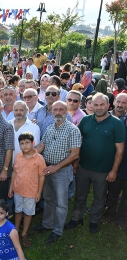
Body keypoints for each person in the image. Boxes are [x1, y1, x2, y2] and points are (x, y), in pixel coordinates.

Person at [66, 93, 125, 233]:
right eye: (95, 105)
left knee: (99, 197)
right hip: (83, 167)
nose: (98, 108)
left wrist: (114, 170)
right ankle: (76, 218)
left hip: (104, 170)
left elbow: (120, 150)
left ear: (108, 105)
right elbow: (76, 142)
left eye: (101, 105)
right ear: (91, 105)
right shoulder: (85, 120)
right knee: (80, 194)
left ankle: (94, 221)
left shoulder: (117, 123)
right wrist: (75, 163)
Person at [33, 101, 81, 242]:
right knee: (48, 198)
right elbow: (42, 145)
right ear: (52, 112)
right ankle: (47, 223)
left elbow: (75, 154)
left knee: (61, 203)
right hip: (47, 168)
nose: (58, 112)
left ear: (66, 111)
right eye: (55, 110)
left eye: (61, 109)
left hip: (62, 171)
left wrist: (57, 167)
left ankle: (58, 230)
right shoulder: (50, 128)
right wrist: (29, 154)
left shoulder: (73, 130)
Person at [8, 132, 46, 248]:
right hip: (18, 189)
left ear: (33, 143)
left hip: (31, 191)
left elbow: (41, 176)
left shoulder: (39, 158)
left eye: (27, 143)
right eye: (22, 143)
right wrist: (11, 188)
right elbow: (14, 172)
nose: (25, 146)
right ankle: (16, 230)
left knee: (28, 213)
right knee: (18, 210)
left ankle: (24, 233)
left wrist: (39, 192)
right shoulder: (18, 156)